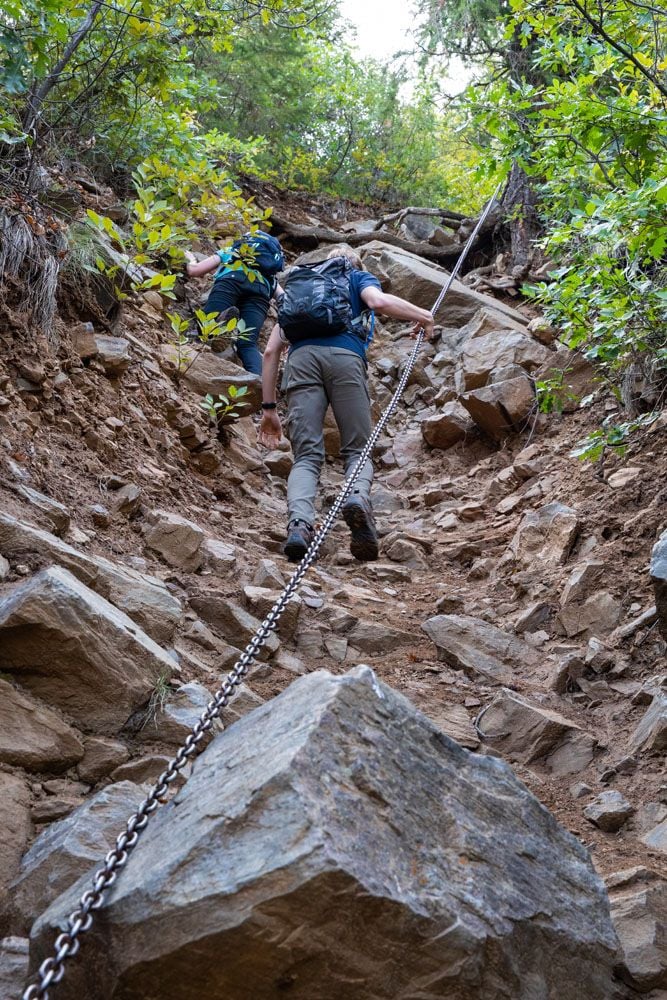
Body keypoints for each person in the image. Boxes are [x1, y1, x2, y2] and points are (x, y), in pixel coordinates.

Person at [258, 246, 435, 563]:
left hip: (300, 362)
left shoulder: (301, 292)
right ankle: (355, 499)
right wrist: (423, 315)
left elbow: (271, 352)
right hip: (345, 359)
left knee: (307, 457)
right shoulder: (355, 277)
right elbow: (378, 303)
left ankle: (299, 526)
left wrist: (269, 409)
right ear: (355, 265)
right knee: (357, 449)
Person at [183, 231, 284, 375]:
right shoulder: (270, 274)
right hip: (261, 290)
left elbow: (195, 271)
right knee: (248, 344)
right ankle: (258, 383)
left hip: (231, 280)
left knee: (206, 324)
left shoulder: (231, 252)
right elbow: (283, 298)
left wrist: (190, 259)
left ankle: (219, 323)